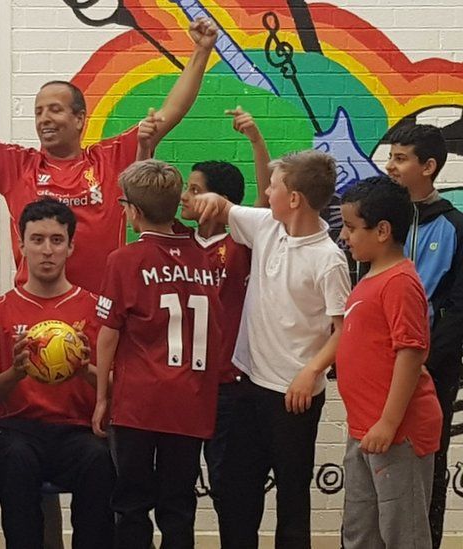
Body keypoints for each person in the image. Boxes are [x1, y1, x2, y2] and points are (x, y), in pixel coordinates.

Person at [0, 19, 218, 292]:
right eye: (38, 112)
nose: (44, 119)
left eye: (54, 110)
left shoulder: (111, 159)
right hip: (34, 314)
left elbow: (171, 112)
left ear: (79, 119)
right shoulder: (16, 165)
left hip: (103, 313)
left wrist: (201, 52)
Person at [188, 149, 351, 549]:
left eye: (273, 186)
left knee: (292, 498)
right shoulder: (266, 226)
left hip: (293, 398)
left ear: (293, 198)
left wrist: (311, 371)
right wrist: (209, 200)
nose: (265, 190)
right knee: (236, 494)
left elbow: (343, 331)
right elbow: (224, 207)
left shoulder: (328, 260)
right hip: (247, 387)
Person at [92, 160, 222, 548]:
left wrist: (102, 397)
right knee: (179, 505)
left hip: (139, 405)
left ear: (133, 210)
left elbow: (107, 337)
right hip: (191, 401)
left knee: (131, 503)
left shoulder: (124, 260)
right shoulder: (204, 259)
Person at [0, 198, 114, 549]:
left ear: (71, 246)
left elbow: (118, 388)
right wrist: (15, 373)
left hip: (78, 429)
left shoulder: (96, 309)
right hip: (16, 429)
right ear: (21, 245)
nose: (47, 250)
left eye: (56, 240)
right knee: (16, 459)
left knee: (100, 459)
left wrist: (84, 371)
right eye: (37, 240)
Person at [336, 176, 443, 548]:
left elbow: (411, 353)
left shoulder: (400, 282)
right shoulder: (368, 280)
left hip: (398, 434)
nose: (344, 237)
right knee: (360, 532)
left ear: (382, 230)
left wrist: (388, 422)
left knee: (403, 535)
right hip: (364, 430)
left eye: (350, 228)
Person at [179, 109, 261, 542]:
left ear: (219, 200)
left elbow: (266, 204)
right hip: (183, 386)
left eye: (194, 191)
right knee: (177, 495)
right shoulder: (176, 242)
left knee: (234, 494)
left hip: (230, 388)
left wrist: (255, 139)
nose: (185, 198)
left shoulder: (244, 242)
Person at [383, 124, 463, 548]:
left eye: (400, 158)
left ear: (428, 167)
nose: (391, 166)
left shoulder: (454, 226)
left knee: (427, 457)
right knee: (374, 455)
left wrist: (422, 363)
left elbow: (458, 309)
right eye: (391, 157)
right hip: (381, 366)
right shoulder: (379, 222)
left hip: (433, 369)